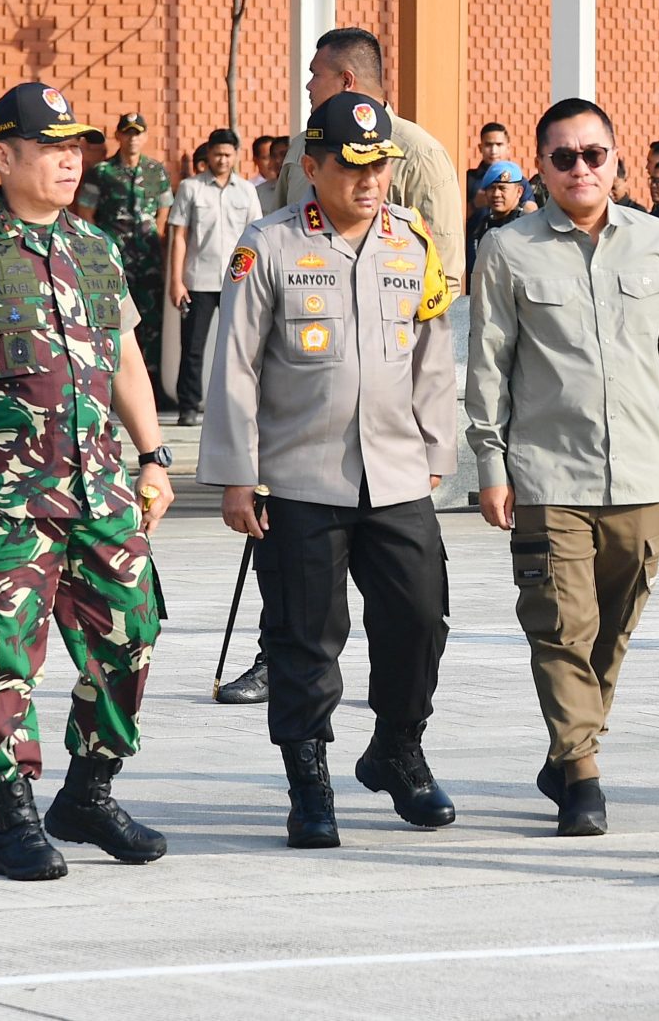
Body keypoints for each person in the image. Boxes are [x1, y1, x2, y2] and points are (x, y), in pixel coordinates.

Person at [0, 82, 176, 880]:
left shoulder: (96, 248)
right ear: (2, 155)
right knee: (5, 658)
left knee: (132, 634)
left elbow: (124, 358)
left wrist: (153, 456)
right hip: (3, 499)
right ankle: (12, 818)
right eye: (51, 146)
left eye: (75, 145)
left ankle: (88, 792)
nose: (70, 158)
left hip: (102, 491)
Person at [201, 91, 461, 849]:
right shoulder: (269, 245)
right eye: (352, 164)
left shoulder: (412, 242)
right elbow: (235, 367)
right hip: (300, 477)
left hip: (398, 472)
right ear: (312, 167)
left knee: (419, 621)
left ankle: (397, 749)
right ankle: (308, 778)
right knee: (305, 639)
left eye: (380, 163)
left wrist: (438, 449)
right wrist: (236, 474)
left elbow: (433, 355)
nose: (370, 178)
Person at [467, 97, 659, 837]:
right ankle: (584, 776)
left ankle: (566, 749)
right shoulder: (508, 251)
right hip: (545, 474)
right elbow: (489, 366)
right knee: (561, 626)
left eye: (592, 154)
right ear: (540, 167)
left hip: (639, 471)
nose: (579, 169)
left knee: (613, 628)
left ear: (616, 159)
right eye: (562, 157)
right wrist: (491, 464)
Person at [272, 27, 465, 281]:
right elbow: (278, 239)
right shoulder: (301, 147)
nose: (308, 86)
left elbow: (444, 267)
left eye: (315, 75)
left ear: (346, 81)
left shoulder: (419, 154)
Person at [167, 128, 265, 426]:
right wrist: (176, 280)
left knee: (240, 345)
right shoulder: (190, 188)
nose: (222, 159)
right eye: (217, 154)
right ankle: (189, 406)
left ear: (236, 156)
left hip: (237, 280)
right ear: (208, 154)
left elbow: (256, 237)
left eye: (227, 154)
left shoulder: (247, 191)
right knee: (193, 347)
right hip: (199, 279)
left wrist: (256, 280)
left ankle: (238, 405)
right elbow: (179, 235)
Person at [80, 111, 172, 398]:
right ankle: (111, 388)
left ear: (145, 137)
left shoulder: (157, 172)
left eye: (138, 133)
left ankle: (151, 389)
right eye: (127, 132)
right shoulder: (102, 173)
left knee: (150, 323)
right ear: (118, 136)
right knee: (112, 323)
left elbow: (164, 212)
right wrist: (97, 253)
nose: (132, 138)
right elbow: (85, 214)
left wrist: (157, 241)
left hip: (149, 262)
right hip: (113, 263)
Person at [465, 159, 533, 287]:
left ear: (519, 192)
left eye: (502, 188)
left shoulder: (528, 228)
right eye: (491, 188)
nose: (496, 194)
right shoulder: (482, 226)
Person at [467, 121, 533, 211]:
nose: (493, 151)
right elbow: (452, 216)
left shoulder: (519, 181)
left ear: (508, 148)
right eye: (488, 145)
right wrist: (474, 204)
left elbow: (532, 212)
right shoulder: (468, 179)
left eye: (499, 144)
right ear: (480, 148)